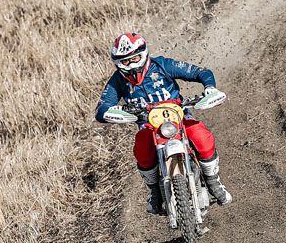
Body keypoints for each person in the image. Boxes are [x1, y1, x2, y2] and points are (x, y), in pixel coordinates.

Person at [94, 32, 232, 215]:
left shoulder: (162, 65)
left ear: (142, 53)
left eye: (134, 57)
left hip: (179, 116)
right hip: (148, 125)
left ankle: (213, 181)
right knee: (142, 149)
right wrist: (115, 112)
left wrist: (209, 88)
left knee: (201, 135)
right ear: (118, 61)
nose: (131, 63)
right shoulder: (117, 80)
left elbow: (201, 72)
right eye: (125, 60)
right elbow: (101, 108)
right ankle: (155, 191)